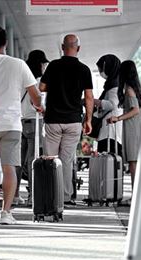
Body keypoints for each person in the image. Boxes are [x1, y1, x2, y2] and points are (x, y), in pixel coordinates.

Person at [0, 26, 43, 225]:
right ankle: (6, 212)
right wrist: (38, 106)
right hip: (12, 124)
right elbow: (35, 94)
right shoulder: (19, 64)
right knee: (9, 167)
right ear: (6, 42)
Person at [39, 34, 93, 206]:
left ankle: (50, 196)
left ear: (62, 47)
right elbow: (89, 97)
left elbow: (42, 87)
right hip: (73, 120)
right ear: (78, 48)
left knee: (50, 159)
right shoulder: (84, 69)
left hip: (53, 119)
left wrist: (54, 86)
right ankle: (66, 196)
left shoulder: (53, 65)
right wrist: (89, 120)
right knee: (66, 159)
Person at [108, 60, 141, 199]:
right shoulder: (135, 88)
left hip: (133, 129)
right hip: (137, 127)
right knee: (134, 163)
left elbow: (135, 110)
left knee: (133, 163)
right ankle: (137, 195)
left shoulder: (129, 89)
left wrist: (118, 118)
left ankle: (135, 197)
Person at [16, 49, 49, 205]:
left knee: (17, 161)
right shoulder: (36, 81)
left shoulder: (20, 78)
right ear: (40, 64)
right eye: (43, 63)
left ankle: (14, 195)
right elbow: (36, 102)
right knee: (32, 159)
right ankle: (32, 196)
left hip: (18, 122)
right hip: (33, 122)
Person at [94, 54, 123, 156]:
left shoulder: (114, 86)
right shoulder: (115, 83)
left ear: (108, 67)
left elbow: (112, 104)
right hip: (111, 130)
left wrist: (95, 101)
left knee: (107, 161)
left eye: (101, 68)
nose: (100, 72)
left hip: (110, 132)